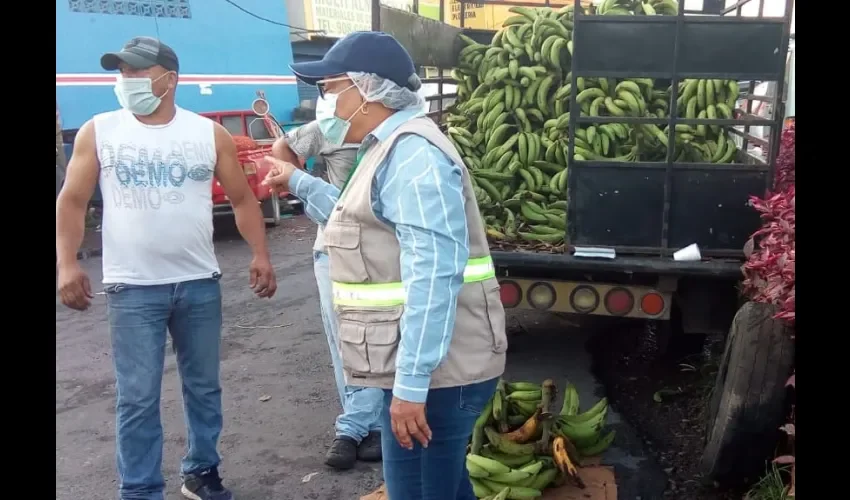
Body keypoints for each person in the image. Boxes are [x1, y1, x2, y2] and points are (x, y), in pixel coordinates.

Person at [260, 31, 507, 499]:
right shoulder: (387, 146)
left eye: (330, 88)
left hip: (439, 376)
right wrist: (301, 183)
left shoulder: (415, 156)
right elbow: (360, 221)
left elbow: (434, 276)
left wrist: (411, 387)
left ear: (366, 90)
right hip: (432, 369)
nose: (324, 101)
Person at [56, 37, 277, 500]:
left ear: (169, 79)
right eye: (122, 73)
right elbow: (72, 201)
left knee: (204, 389)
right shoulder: (101, 131)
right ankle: (139, 490)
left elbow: (242, 198)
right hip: (132, 289)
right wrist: (66, 264)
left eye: (138, 72)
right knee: (136, 398)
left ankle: (201, 472)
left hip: (198, 283)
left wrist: (260, 254)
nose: (127, 81)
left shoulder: (206, 134)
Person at [270, 124, 384, 469]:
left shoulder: (396, 129)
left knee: (374, 338)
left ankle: (362, 426)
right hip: (333, 247)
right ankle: (361, 424)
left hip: (378, 247)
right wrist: (303, 186)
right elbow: (282, 148)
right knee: (343, 342)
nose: (330, 92)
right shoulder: (329, 126)